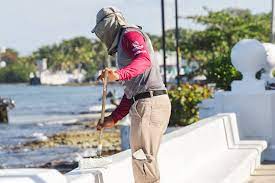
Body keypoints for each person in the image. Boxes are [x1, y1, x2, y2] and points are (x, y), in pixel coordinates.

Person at [92, 7, 171, 183]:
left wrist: (118, 74)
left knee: (143, 158)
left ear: (110, 24)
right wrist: (113, 118)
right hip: (144, 102)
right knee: (141, 158)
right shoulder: (122, 42)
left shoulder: (129, 34)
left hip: (149, 102)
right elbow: (132, 92)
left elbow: (143, 60)